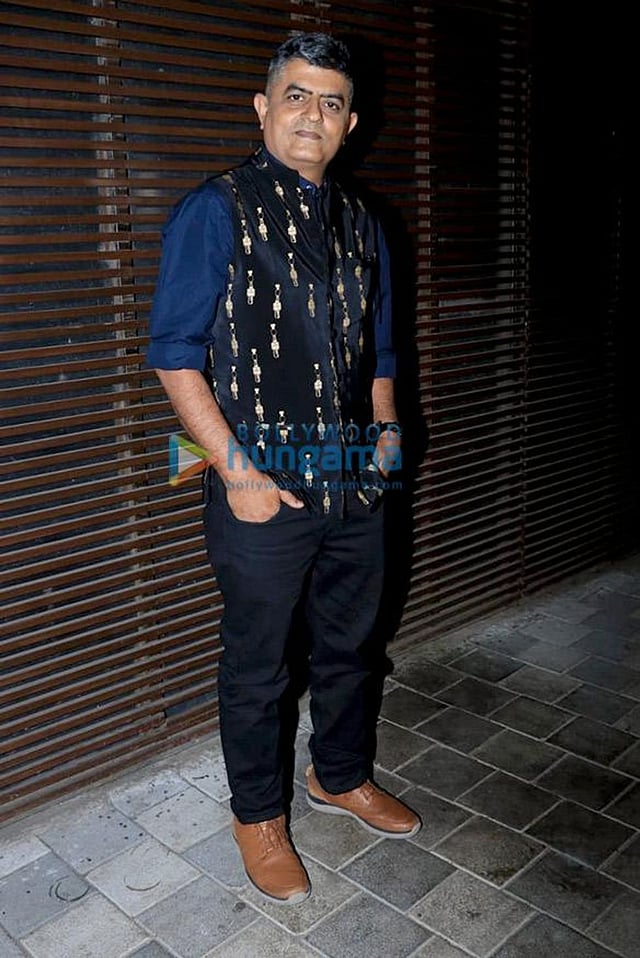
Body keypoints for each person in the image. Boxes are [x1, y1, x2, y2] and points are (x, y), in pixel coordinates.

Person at [147, 31, 420, 905]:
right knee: (258, 665)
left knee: (351, 646)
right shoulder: (215, 208)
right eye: (297, 96)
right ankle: (257, 816)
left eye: (332, 101)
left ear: (350, 123)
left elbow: (381, 350)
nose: (313, 114)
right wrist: (238, 475)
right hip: (262, 481)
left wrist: (385, 434)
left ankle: (338, 776)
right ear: (264, 109)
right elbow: (174, 354)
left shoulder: (364, 221)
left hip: (355, 478)